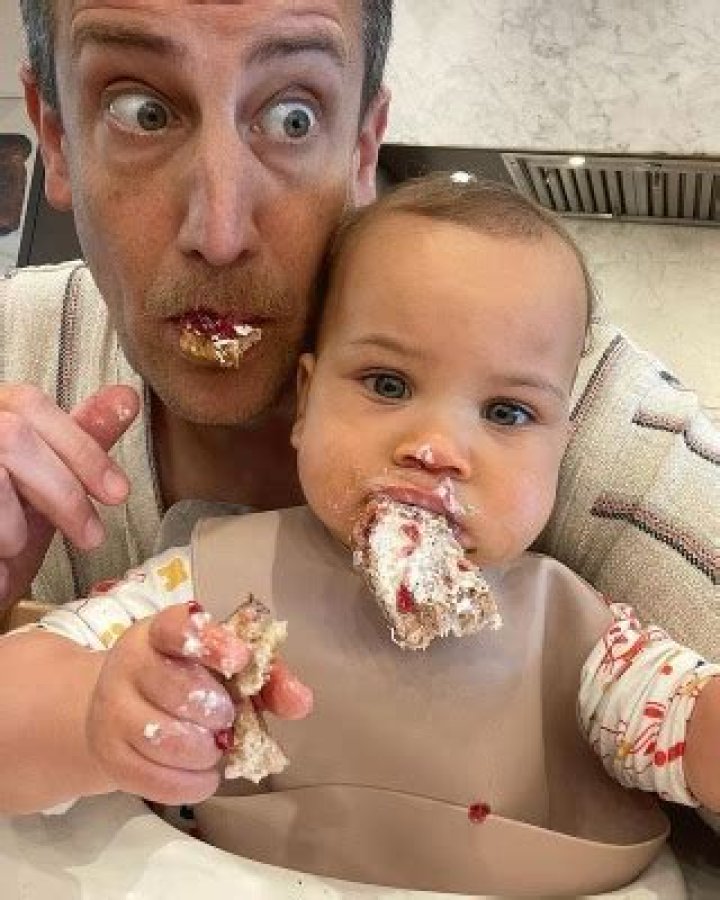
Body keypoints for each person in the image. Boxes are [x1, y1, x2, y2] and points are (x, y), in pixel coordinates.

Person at [2, 177, 718, 897]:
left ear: (561, 448)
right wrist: (97, 714)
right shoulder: (205, 594)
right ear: (306, 401)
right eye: (388, 384)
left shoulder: (586, 647)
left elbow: (692, 726)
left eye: (506, 412)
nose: (436, 447)